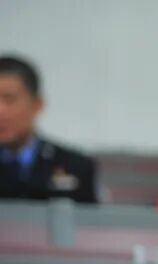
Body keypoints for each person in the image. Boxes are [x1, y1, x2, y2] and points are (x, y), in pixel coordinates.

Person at [0, 55, 97, 203]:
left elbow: (90, 217)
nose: (1, 111)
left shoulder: (74, 166)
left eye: (10, 100)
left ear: (37, 104)